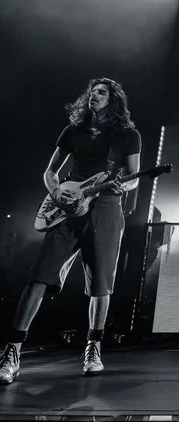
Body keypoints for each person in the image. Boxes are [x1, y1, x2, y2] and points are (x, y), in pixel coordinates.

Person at [0, 78, 141, 384]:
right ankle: (12, 350)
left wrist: (122, 186)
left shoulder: (127, 135)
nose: (95, 96)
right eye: (92, 93)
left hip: (105, 208)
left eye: (101, 93)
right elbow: (51, 172)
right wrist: (56, 194)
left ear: (113, 100)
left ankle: (94, 347)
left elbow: (134, 178)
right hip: (67, 208)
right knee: (38, 276)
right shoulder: (73, 131)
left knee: (101, 283)